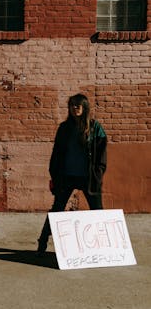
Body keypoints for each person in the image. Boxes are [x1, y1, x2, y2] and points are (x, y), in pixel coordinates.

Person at [37, 93, 107, 254]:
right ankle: (42, 242)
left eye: (78, 105)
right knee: (56, 211)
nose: (75, 108)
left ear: (85, 107)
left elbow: (102, 155)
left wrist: (98, 173)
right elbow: (56, 154)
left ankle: (104, 249)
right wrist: (54, 175)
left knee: (97, 212)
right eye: (72, 105)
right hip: (66, 176)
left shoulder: (95, 128)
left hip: (89, 178)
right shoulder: (64, 128)